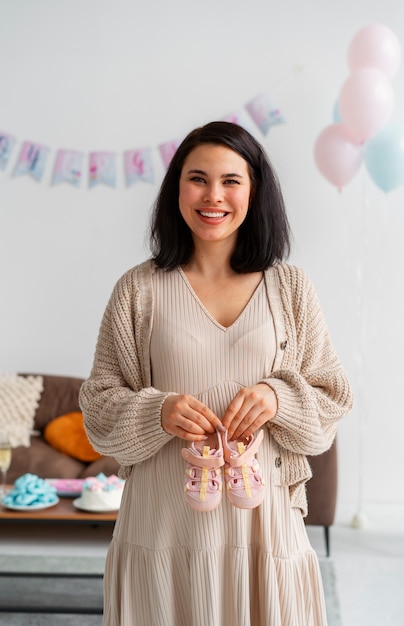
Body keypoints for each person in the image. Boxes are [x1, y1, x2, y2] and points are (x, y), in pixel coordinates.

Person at [79, 121, 353, 626]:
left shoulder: (290, 288)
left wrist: (279, 398)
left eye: (231, 180)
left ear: (254, 191)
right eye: (198, 178)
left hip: (265, 534)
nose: (213, 195)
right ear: (176, 188)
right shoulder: (138, 290)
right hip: (163, 531)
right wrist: (157, 410)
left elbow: (331, 397)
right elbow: (97, 407)